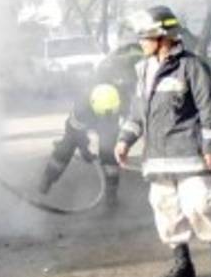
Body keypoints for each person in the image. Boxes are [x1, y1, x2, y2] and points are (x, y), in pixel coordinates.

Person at [114, 6, 211, 277]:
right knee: (165, 209)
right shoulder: (143, 70)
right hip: (157, 157)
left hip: (190, 154)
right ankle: (182, 263)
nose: (141, 42)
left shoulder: (192, 66)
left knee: (199, 205)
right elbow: (136, 113)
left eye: (145, 37)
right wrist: (124, 140)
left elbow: (210, 109)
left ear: (163, 37)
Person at [38, 43, 142, 208]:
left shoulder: (121, 92)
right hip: (93, 110)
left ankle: (111, 196)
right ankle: (47, 180)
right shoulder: (83, 104)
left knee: (109, 151)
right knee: (67, 145)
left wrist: (123, 137)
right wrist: (84, 149)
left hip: (112, 108)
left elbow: (134, 115)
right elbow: (74, 132)